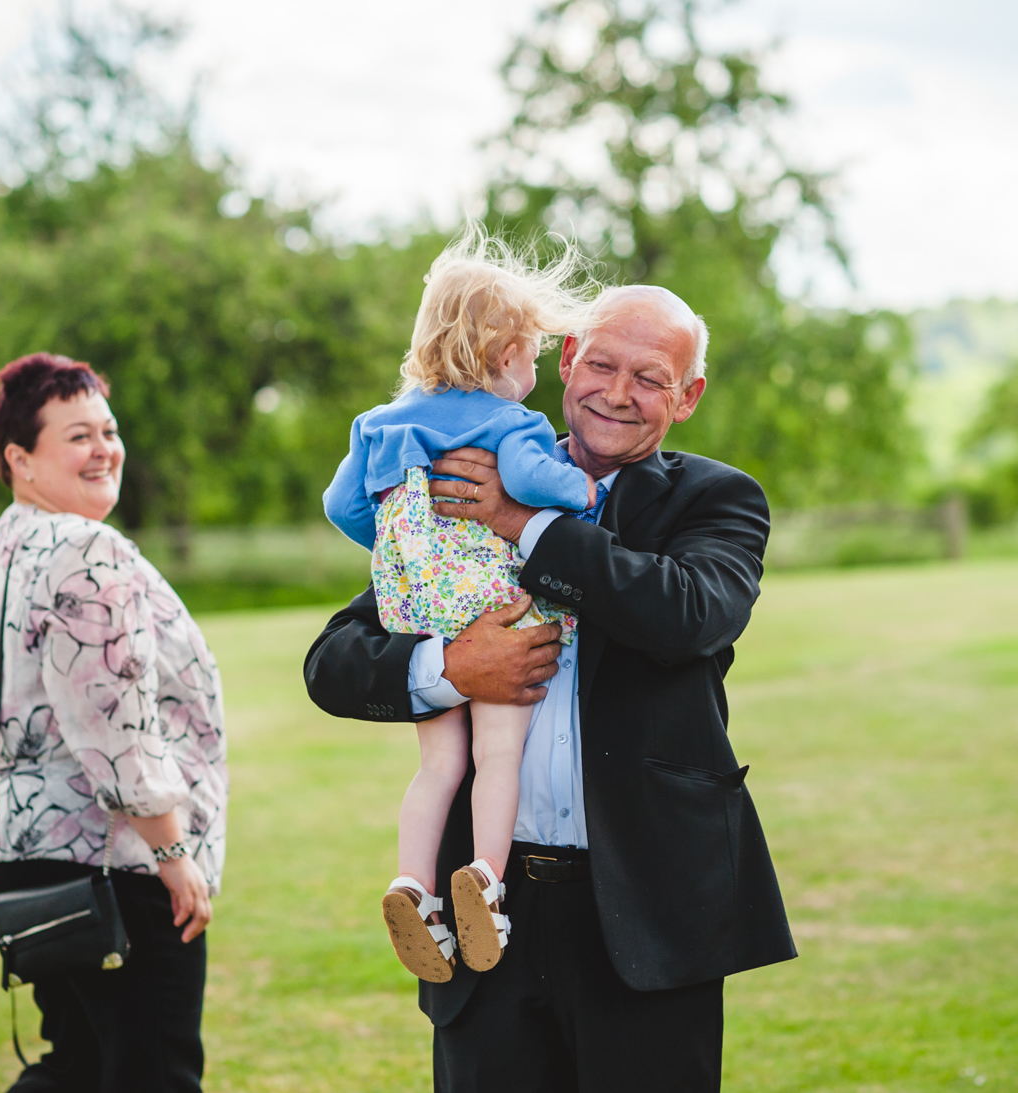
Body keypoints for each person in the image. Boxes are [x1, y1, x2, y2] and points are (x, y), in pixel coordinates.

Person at [305, 285, 796, 1092]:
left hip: (641, 908)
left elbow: (688, 613)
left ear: (688, 396)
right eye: (600, 363)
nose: (616, 392)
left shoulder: (715, 499)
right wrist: (448, 669)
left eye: (648, 377)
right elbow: (334, 660)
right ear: (564, 361)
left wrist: (524, 523)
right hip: (489, 915)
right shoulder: (460, 479)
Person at [322, 229, 599, 983]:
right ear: (502, 353)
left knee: (439, 763)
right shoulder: (507, 423)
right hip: (493, 605)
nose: (533, 371)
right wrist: (584, 493)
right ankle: (484, 876)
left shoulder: (377, 424)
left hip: (419, 612)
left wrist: (398, 542)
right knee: (496, 754)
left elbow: (342, 504)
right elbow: (532, 482)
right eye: (531, 356)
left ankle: (412, 882)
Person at [0, 353, 227, 1093]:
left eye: (108, 429)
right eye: (78, 435)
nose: (105, 448)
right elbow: (113, 718)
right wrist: (173, 851)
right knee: (154, 1072)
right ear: (21, 458)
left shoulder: (6, 546)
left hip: (20, 859)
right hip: (110, 865)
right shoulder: (84, 547)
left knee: (76, 1068)